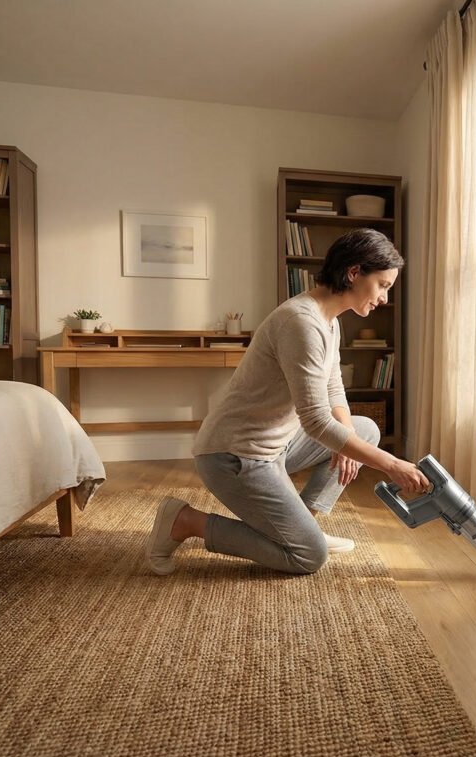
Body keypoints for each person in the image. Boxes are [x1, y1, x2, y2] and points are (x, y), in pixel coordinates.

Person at [145, 228, 428, 576]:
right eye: (383, 285)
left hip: (278, 445)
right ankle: (186, 521)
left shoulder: (330, 320)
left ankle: (303, 524)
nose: (385, 298)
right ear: (354, 273)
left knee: (363, 430)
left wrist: (347, 438)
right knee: (308, 557)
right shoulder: (301, 323)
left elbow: (334, 387)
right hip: (235, 455)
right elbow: (316, 422)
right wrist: (392, 465)